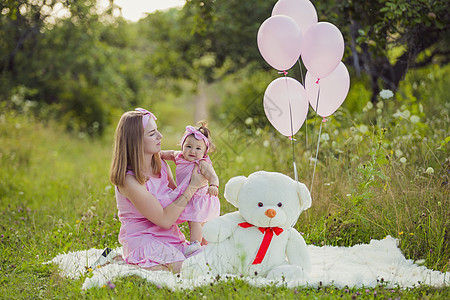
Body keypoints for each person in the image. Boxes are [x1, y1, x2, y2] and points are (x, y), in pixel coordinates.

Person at [108, 108, 207, 273]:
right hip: (143, 241)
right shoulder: (129, 180)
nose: (160, 136)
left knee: (208, 259)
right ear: (136, 141)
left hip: (171, 239)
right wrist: (192, 187)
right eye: (152, 133)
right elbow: (165, 220)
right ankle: (116, 263)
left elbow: (178, 208)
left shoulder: (161, 166)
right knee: (188, 270)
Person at [161, 123, 220, 256]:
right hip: (191, 197)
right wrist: (157, 154)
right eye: (188, 146)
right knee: (194, 221)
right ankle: (206, 245)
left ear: (205, 152)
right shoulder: (179, 156)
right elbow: (168, 154)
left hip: (201, 198)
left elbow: (213, 176)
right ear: (182, 146)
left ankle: (195, 244)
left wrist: (213, 185)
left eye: (198, 148)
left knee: (196, 221)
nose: (192, 151)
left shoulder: (202, 163)